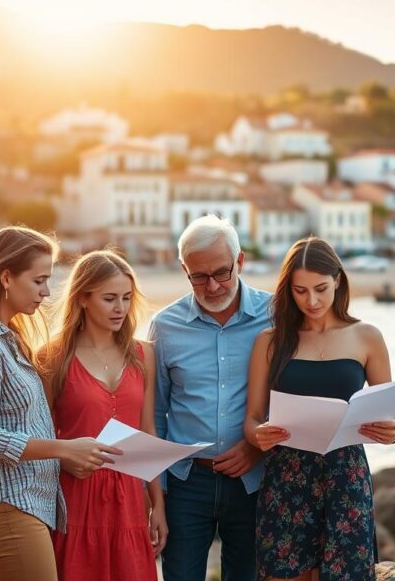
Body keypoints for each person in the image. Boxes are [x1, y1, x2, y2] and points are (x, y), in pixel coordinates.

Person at [0, 249, 168, 580]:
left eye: (126, 298)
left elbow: (147, 431)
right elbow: (31, 426)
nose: (120, 308)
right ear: (82, 299)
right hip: (71, 496)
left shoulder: (143, 354)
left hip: (129, 500)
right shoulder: (52, 357)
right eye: (109, 298)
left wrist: (157, 506)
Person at [0, 226, 117, 581]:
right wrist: (64, 449)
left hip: (16, 506)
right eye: (39, 281)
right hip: (7, 506)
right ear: (6, 277)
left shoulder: (4, 340)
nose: (47, 292)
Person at [244, 237, 395, 581]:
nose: (312, 300)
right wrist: (259, 435)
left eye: (320, 288)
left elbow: (391, 408)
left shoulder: (366, 336)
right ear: (288, 290)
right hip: (286, 477)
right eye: (300, 291)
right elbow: (252, 419)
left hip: (346, 477)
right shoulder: (269, 342)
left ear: (338, 282)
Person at [150, 215, 270, 581]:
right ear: (184, 269)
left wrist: (256, 448)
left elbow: (291, 396)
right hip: (186, 483)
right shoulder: (164, 326)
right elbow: (155, 415)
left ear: (241, 262)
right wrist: (156, 500)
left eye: (222, 272)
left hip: (254, 479)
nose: (214, 286)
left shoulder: (276, 314)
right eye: (199, 276)